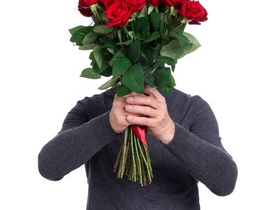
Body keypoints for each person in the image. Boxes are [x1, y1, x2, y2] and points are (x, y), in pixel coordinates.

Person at [38, 85, 238, 210]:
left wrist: (169, 131)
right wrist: (108, 124)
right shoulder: (90, 108)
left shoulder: (192, 108)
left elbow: (225, 182)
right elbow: (49, 167)